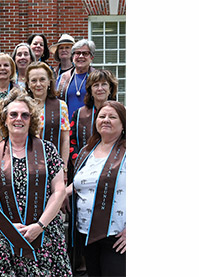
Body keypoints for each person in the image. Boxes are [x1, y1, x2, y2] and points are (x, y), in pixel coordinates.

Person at [0, 90, 71, 276]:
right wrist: (7, 225)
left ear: (31, 120)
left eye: (25, 115)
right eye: (13, 114)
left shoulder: (47, 149)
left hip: (45, 235)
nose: (19, 119)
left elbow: (59, 191)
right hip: (6, 237)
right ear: (4, 119)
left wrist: (39, 226)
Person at [68, 101, 126, 276]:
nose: (106, 120)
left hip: (116, 236)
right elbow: (82, 182)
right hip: (86, 234)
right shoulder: (87, 151)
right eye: (102, 116)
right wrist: (62, 194)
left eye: (112, 117)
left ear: (123, 123)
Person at [68, 69, 118, 181]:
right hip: (82, 170)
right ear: (90, 89)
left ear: (110, 88)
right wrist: (79, 163)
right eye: (96, 85)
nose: (100, 88)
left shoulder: (120, 113)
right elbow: (71, 142)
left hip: (112, 169)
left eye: (104, 84)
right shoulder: (79, 114)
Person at [25, 62, 71, 171]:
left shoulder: (61, 106)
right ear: (28, 83)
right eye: (34, 80)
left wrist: (64, 167)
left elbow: (65, 139)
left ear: (49, 82)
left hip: (53, 165)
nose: (38, 84)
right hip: (26, 164)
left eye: (42, 79)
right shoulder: (22, 107)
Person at [57, 39, 96, 120]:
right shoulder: (62, 78)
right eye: (77, 53)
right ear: (73, 56)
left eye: (85, 53)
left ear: (91, 57)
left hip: (91, 125)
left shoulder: (97, 77)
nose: (81, 56)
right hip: (67, 127)